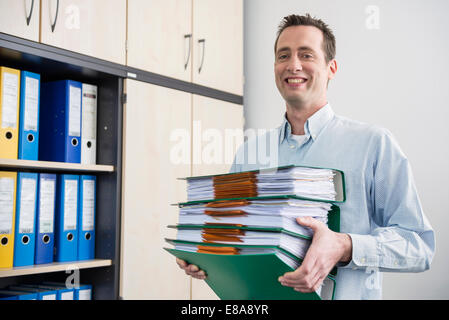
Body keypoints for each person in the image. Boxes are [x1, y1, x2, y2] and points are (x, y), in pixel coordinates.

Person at [176, 14, 435, 299]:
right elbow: (235, 235)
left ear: (331, 68)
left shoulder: (374, 144)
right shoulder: (249, 152)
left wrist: (346, 245)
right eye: (283, 55)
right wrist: (206, 253)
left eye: (306, 54)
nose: (293, 64)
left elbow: (419, 246)